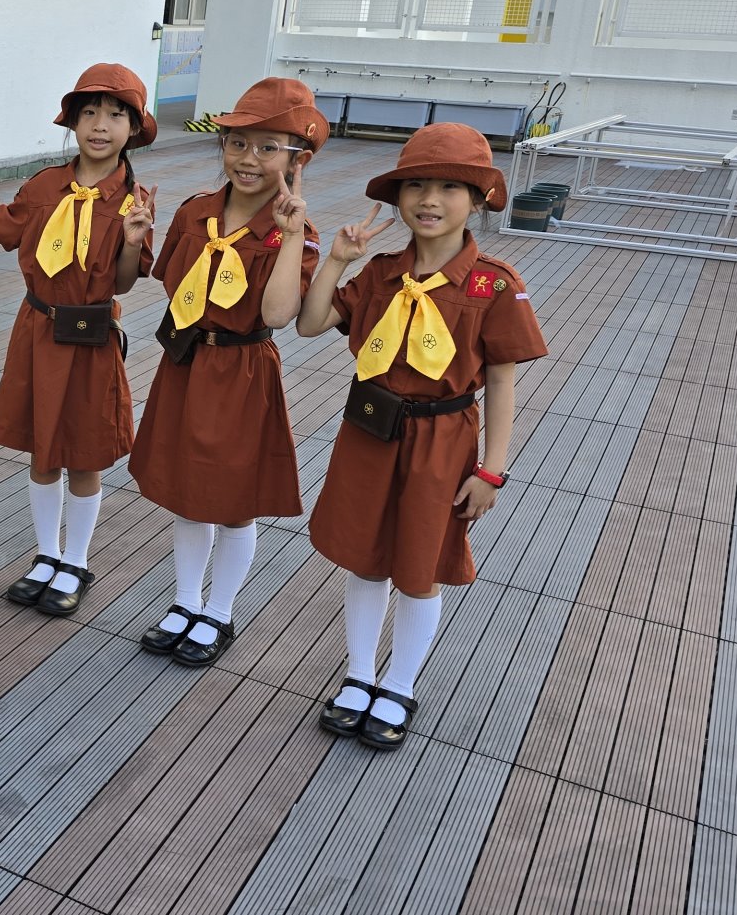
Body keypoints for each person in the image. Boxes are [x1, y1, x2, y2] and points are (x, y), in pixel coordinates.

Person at [296, 122, 547, 749]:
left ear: (479, 199)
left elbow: (502, 381)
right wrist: (337, 260)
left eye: (450, 187)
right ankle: (359, 674)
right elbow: (309, 323)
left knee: (419, 565)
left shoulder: (494, 282)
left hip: (442, 440)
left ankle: (400, 683)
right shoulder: (381, 273)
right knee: (365, 558)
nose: (429, 200)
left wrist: (491, 469)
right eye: (416, 186)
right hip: (369, 432)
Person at [130, 78, 325, 668]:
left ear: (298, 160)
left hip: (242, 372)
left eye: (268, 148)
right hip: (187, 364)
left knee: (235, 500)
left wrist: (292, 237)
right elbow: (173, 285)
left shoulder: (295, 232)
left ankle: (219, 610)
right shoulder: (195, 212)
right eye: (238, 143)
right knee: (188, 495)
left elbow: (278, 314)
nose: (248, 159)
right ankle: (186, 601)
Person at [0, 63, 157, 617]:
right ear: (73, 123)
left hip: (89, 337)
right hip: (38, 330)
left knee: (84, 453)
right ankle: (46, 554)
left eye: (115, 115)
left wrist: (133, 241)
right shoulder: (43, 187)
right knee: (42, 449)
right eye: (89, 113)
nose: (100, 125)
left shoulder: (133, 199)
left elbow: (122, 282)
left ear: (133, 128)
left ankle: (76, 561)